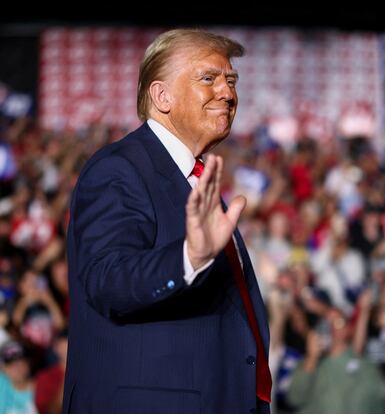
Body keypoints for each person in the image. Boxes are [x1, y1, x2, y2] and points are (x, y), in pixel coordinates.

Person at [63, 28, 272, 414]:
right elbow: (107, 278)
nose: (227, 93)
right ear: (162, 96)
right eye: (208, 78)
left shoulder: (196, 181)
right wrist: (188, 257)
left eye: (230, 80)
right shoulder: (119, 169)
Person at [287, 308, 385, 414]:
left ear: (348, 329)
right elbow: (295, 399)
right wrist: (312, 358)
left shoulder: (367, 368)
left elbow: (382, 406)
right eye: (326, 323)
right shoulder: (308, 364)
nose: (331, 327)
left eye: (338, 322)